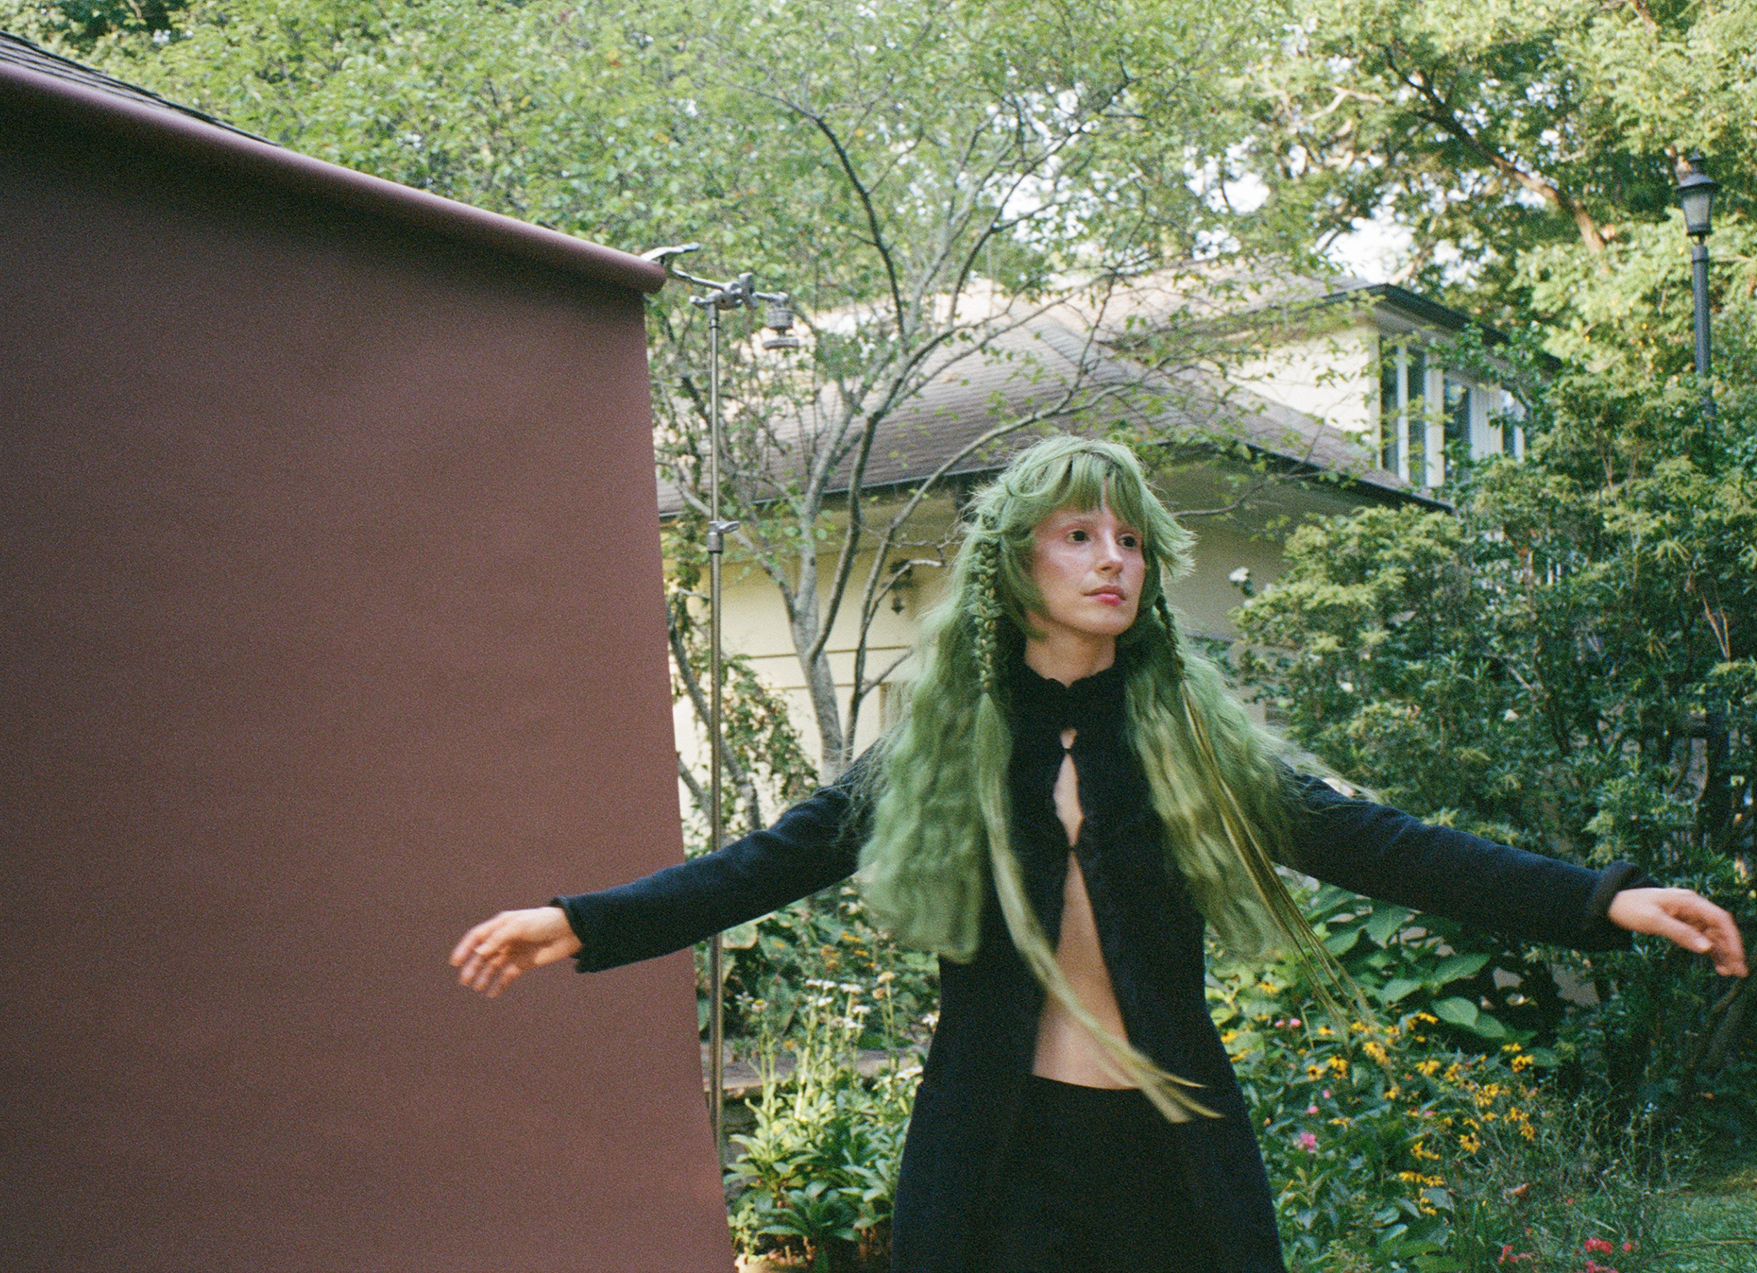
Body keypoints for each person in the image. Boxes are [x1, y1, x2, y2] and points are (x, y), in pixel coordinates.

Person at [450, 437, 1746, 1273]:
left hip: (1171, 1145)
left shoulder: (1190, 743)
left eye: (1129, 540)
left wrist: (1605, 899)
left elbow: (1384, 846)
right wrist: (586, 920)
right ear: (1017, 561)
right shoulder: (944, 751)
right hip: (999, 1149)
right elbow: (769, 862)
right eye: (1080, 535)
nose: (1112, 559)